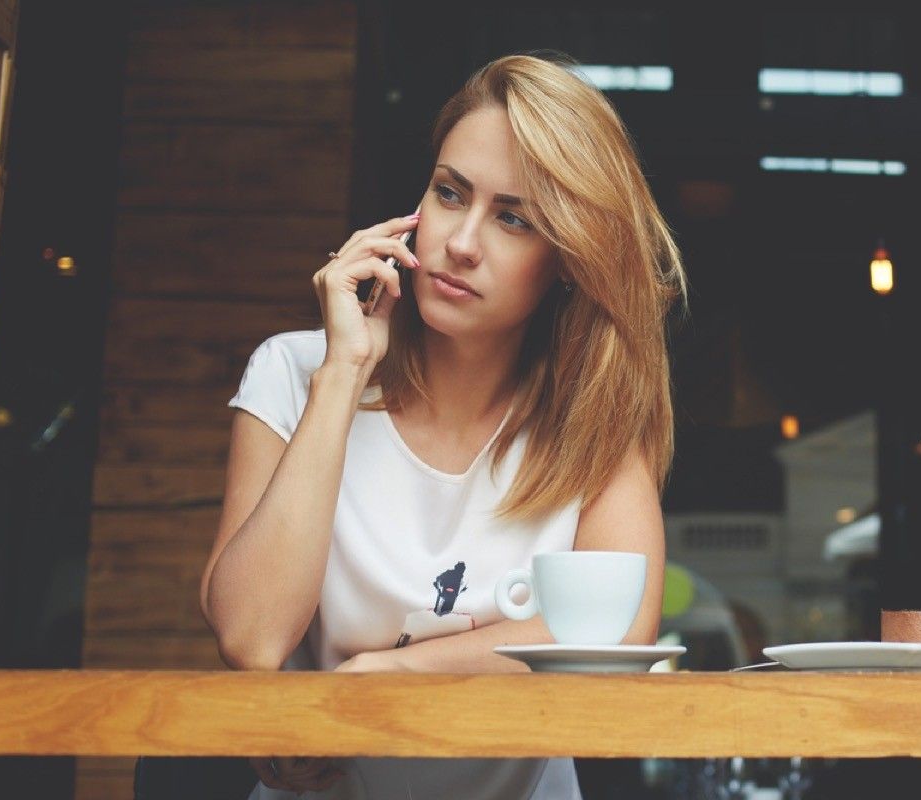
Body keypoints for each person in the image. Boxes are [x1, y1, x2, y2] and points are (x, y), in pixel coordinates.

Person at [199, 52, 688, 800]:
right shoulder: (295, 374)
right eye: (450, 193)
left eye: (514, 218)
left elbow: (618, 633)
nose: (460, 242)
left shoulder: (591, 421)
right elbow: (252, 636)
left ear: (567, 259)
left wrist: (389, 672)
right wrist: (343, 376)